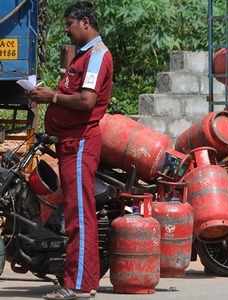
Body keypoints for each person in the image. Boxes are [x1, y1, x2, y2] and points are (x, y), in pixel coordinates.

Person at [29, 1, 113, 299]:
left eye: (70, 24)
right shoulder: (82, 57)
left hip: (80, 144)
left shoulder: (96, 56)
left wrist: (51, 97)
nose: (67, 29)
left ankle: (78, 284)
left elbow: (86, 102)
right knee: (76, 213)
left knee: (79, 215)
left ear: (86, 22)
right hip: (69, 143)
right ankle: (80, 280)